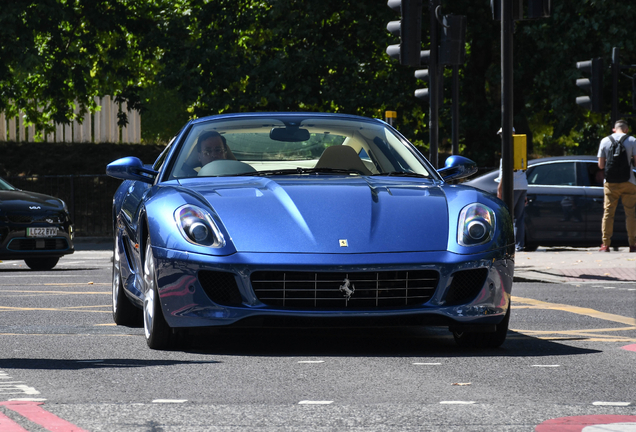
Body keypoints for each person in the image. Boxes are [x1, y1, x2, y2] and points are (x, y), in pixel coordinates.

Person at [597, 119, 636, 253]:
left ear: (614, 129)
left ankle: (605, 244)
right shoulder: (632, 140)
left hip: (610, 183)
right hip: (629, 182)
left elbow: (601, 166)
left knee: (608, 213)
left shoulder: (604, 141)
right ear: (626, 129)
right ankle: (632, 244)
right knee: (630, 213)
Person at [496, 127, 528, 251]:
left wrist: (499, 189)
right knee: (519, 217)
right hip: (522, 185)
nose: (501, 136)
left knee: (506, 216)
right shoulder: (520, 147)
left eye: (502, 134)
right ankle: (519, 245)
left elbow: (505, 171)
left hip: (512, 186)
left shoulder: (508, 149)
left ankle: (506, 244)